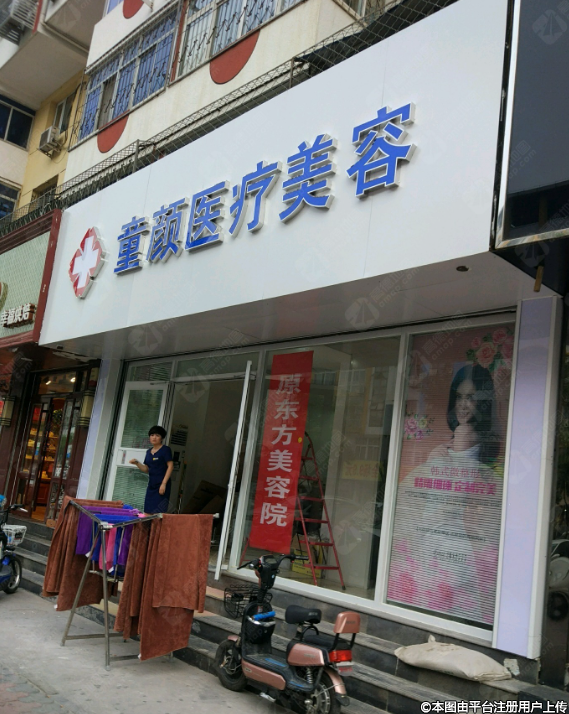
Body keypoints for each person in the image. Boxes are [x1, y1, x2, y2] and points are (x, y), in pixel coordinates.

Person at [130, 426, 173, 515]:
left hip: (162, 485)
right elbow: (146, 469)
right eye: (152, 435)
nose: (154, 437)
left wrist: (164, 484)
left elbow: (170, 466)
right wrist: (137, 463)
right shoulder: (148, 452)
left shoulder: (165, 450)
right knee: (147, 512)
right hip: (151, 485)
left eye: (157, 435)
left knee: (158, 513)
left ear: (161, 438)